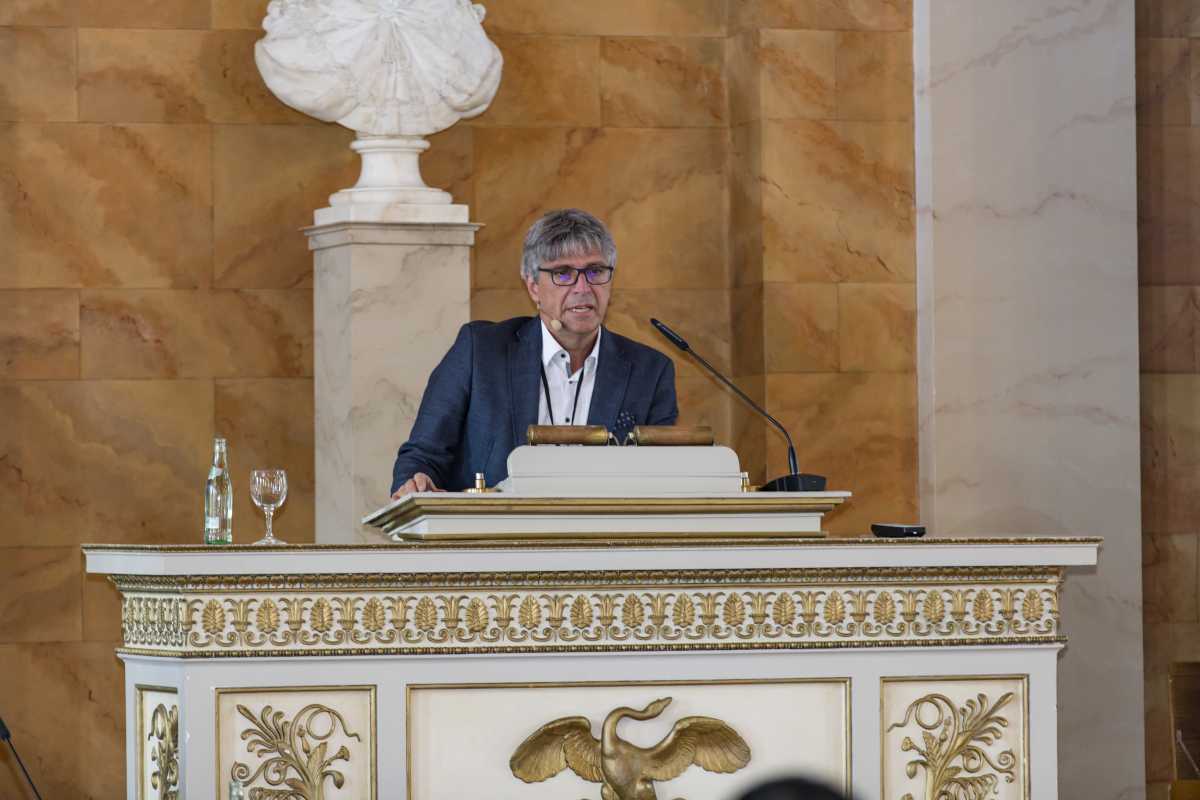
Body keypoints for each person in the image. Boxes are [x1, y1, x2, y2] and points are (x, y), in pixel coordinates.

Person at [390, 209, 679, 496]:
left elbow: (664, 480)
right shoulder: (481, 352)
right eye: (563, 273)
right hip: (495, 525)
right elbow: (422, 457)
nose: (583, 288)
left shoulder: (650, 371)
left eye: (595, 272)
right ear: (533, 287)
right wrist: (416, 482)